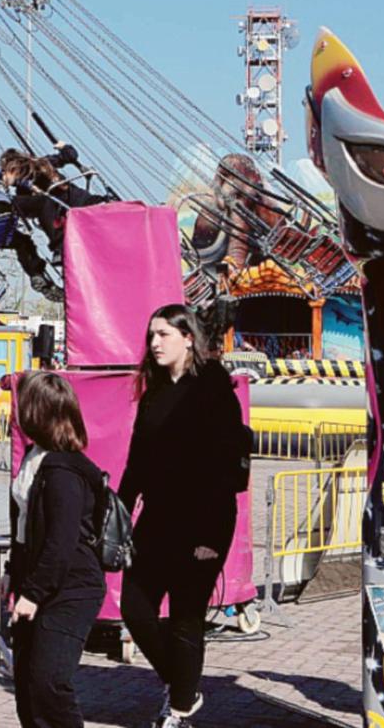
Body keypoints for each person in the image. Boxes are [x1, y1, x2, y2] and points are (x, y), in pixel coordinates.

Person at [118, 304, 248, 728]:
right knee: (134, 607)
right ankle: (184, 688)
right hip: (157, 519)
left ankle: (177, 711)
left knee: (185, 618)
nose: (154, 343)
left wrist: (210, 535)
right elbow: (137, 459)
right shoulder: (154, 390)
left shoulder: (212, 388)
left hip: (204, 522)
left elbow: (227, 467)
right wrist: (121, 508)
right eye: (151, 336)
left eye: (164, 335)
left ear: (188, 338)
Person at [9, 372, 106, 728]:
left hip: (70, 587)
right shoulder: (34, 457)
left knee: (49, 682)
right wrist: (12, 573)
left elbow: (61, 542)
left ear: (35, 411)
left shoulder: (64, 470)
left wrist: (33, 593)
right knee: (27, 686)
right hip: (36, 581)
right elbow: (24, 526)